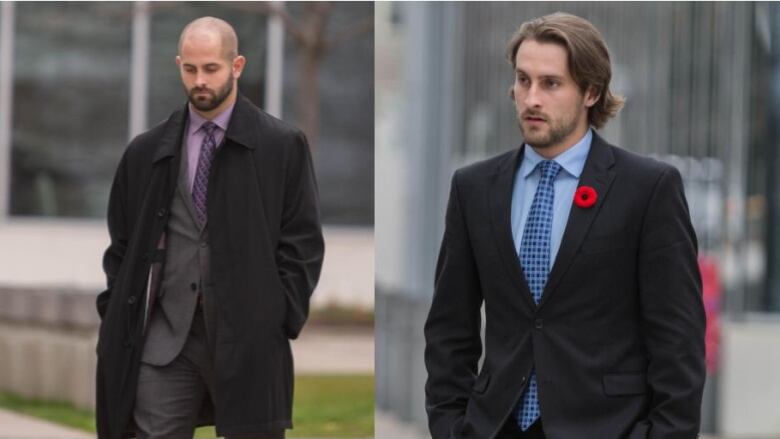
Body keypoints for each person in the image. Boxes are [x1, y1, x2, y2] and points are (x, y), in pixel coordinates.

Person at [424, 12, 705, 439]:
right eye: (523, 80)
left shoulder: (648, 189)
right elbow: (449, 329)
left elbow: (678, 341)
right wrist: (450, 426)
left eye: (550, 83)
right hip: (495, 426)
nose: (531, 98)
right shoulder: (474, 188)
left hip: (607, 428)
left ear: (591, 91)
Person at [95, 17, 324, 439]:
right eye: (190, 69)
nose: (200, 81)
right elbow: (121, 247)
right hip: (164, 344)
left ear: (237, 65)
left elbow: (303, 245)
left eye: (211, 69)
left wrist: (278, 316)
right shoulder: (146, 151)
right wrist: (117, 315)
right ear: (179, 65)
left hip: (249, 342)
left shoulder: (281, 146)